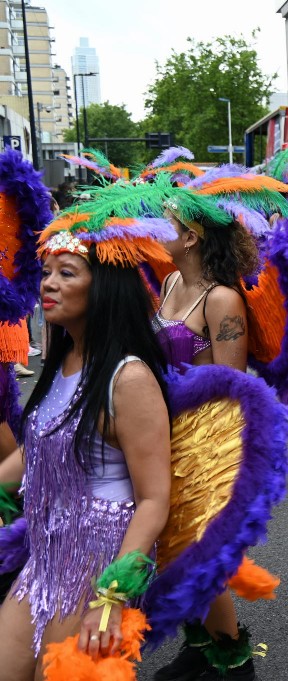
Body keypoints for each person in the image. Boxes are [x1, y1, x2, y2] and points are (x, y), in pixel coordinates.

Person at [0, 230, 171, 678]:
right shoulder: (62, 360)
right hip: (46, 555)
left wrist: (111, 596)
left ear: (104, 289)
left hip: (98, 560)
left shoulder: (128, 379)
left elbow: (154, 500)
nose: (48, 284)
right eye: (46, 273)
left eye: (66, 273)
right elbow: (37, 450)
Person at [152, 194, 269, 681]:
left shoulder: (221, 299)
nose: (157, 232)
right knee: (168, 547)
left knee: (200, 550)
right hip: (160, 429)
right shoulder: (170, 280)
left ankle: (233, 660)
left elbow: (232, 384)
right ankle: (200, 642)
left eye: (166, 224)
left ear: (191, 238)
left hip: (206, 438)